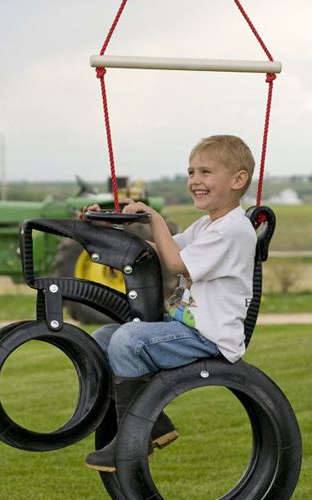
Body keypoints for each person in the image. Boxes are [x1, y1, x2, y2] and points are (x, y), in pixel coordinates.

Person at [83, 134, 258, 472]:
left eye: (205, 172)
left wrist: (156, 219)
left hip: (209, 336)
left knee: (128, 339)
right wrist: (105, 231)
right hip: (185, 328)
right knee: (103, 338)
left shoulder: (233, 230)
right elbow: (160, 250)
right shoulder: (208, 225)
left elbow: (176, 263)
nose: (195, 180)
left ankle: (135, 438)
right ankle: (156, 422)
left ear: (238, 180)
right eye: (191, 172)